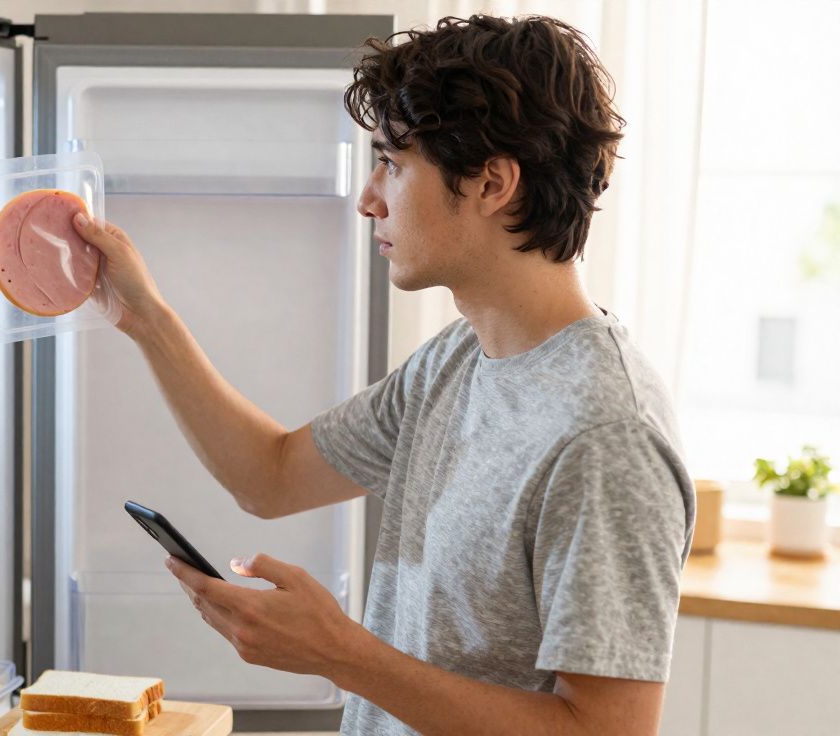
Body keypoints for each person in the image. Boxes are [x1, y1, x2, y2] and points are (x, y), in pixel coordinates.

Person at [67, 14, 694, 736]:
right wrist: (145, 318)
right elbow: (269, 475)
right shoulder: (454, 361)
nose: (369, 197)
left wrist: (343, 656)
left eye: (393, 164)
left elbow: (607, 731)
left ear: (492, 182)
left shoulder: (607, 435)